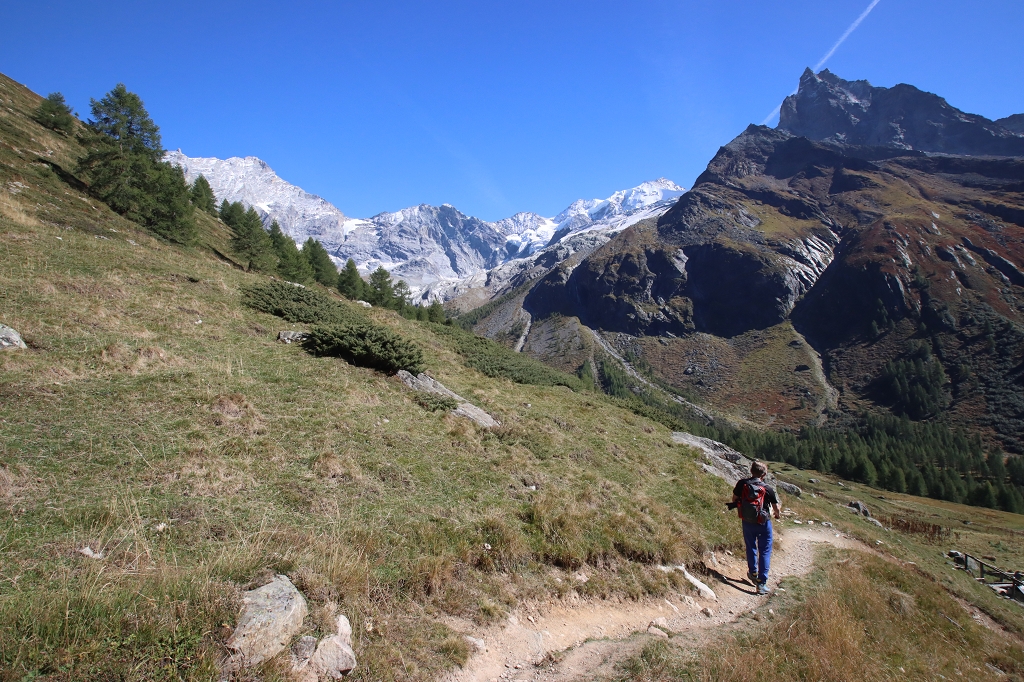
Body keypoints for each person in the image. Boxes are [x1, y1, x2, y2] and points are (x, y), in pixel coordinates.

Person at [732, 461, 781, 595]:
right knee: (765, 550)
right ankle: (761, 583)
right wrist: (777, 515)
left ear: (751, 471)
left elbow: (734, 498)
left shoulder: (742, 484)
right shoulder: (767, 488)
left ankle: (753, 572)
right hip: (763, 523)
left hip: (747, 521)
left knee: (750, 546)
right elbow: (776, 509)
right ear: (764, 474)